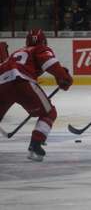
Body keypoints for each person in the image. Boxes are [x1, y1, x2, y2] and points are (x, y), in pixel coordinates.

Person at [0, 29, 73, 161]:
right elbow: (49, 63)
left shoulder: (18, 52)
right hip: (21, 81)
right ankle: (35, 145)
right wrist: (64, 77)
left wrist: (60, 76)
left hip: (1, 83)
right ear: (44, 41)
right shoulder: (41, 48)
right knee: (49, 113)